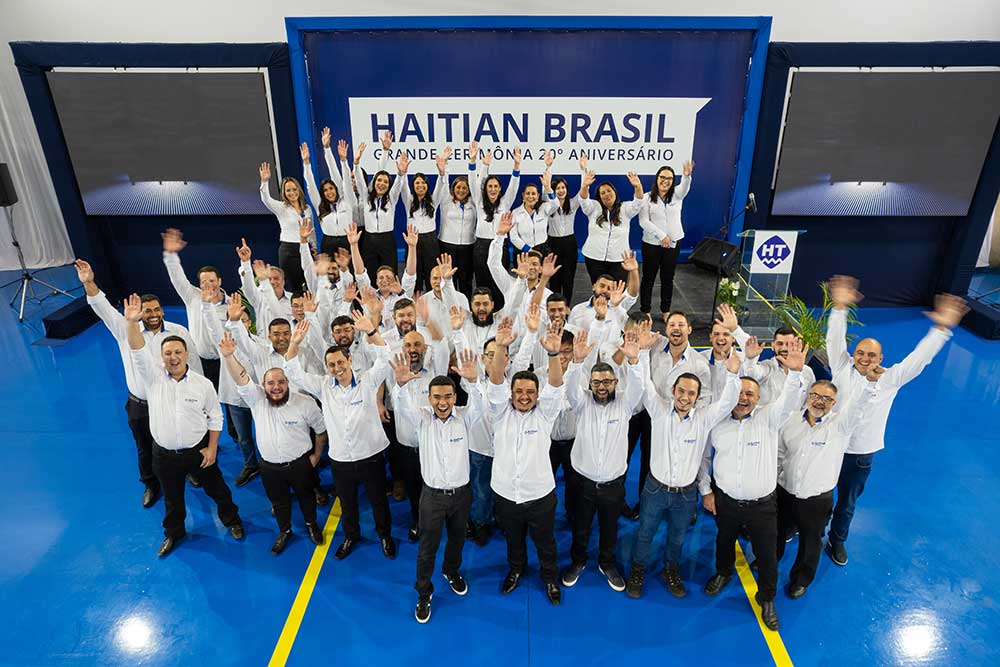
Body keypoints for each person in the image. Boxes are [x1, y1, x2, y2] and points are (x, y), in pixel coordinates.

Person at [824, 276, 967, 566]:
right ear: (853, 354)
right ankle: (800, 527)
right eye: (860, 353)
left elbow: (919, 359)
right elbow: (834, 339)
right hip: (830, 444)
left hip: (860, 453)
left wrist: (940, 329)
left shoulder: (890, 379)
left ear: (881, 358)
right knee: (817, 494)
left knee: (847, 503)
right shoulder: (841, 367)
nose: (865, 358)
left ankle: (837, 540)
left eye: (871, 355)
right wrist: (839, 308)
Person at [122, 294, 244, 557]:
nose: (173, 357)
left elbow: (215, 417)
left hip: (198, 452)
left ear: (187, 354)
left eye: (178, 352)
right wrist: (132, 323)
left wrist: (212, 448)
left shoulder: (203, 385)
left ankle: (232, 520)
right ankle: (174, 533)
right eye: (168, 353)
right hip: (164, 455)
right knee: (172, 499)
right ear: (161, 357)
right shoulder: (153, 378)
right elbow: (137, 349)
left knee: (218, 491)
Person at [702, 338, 809, 631]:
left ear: (759, 399)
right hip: (726, 501)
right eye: (740, 392)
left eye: (750, 394)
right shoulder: (717, 422)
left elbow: (788, 401)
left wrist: (795, 373)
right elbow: (704, 458)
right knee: (723, 541)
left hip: (762, 506)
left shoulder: (769, 418)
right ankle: (723, 573)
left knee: (766, 554)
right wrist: (706, 490)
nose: (744, 398)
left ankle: (767, 598)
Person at [625, 327, 741, 599]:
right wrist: (641, 353)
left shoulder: (704, 418)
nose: (685, 397)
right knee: (645, 533)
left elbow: (726, 403)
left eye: (691, 393)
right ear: (673, 391)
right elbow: (645, 385)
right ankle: (637, 571)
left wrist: (733, 375)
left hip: (686, 494)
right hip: (655, 489)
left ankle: (671, 570)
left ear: (697, 398)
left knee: (677, 538)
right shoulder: (658, 410)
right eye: (681, 391)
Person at [76, 260, 201, 507]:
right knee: (144, 448)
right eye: (147, 311)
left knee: (182, 441)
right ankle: (151, 485)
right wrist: (89, 282)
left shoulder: (178, 331)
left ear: (162, 310)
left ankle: (190, 472)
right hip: (140, 404)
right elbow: (101, 306)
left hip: (173, 400)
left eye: (157, 310)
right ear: (140, 313)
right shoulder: (126, 329)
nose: (153, 315)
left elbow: (193, 364)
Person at [283, 319, 397, 560]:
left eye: (340, 362)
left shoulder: (367, 380)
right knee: (347, 503)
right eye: (331, 365)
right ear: (327, 367)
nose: (337, 368)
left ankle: (385, 536)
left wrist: (372, 331)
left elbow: (385, 356)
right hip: (341, 459)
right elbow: (292, 371)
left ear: (350, 361)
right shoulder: (323, 386)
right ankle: (351, 536)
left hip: (371, 456)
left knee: (378, 501)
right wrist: (294, 343)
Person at [392, 349, 484, 623]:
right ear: (429, 398)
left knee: (457, 540)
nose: (442, 402)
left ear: (455, 397)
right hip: (431, 497)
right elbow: (402, 406)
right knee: (427, 547)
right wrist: (401, 386)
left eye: (447, 396)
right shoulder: (421, 418)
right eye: (436, 397)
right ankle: (424, 592)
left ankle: (451, 570)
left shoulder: (465, 417)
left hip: (461, 495)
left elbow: (481, 405)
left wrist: (474, 381)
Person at [220, 332, 327, 554]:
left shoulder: (305, 403)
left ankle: (311, 524)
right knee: (278, 502)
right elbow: (241, 377)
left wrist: (316, 456)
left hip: (301, 464)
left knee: (307, 497)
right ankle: (285, 530)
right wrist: (229, 357)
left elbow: (320, 431)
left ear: (288, 383)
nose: (276, 387)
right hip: (269, 467)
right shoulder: (256, 399)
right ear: (263, 385)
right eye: (270, 383)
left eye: (280, 382)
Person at [488, 318, 567, 605]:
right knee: (513, 539)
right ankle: (516, 570)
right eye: (519, 392)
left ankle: (550, 577)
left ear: (537, 395)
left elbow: (556, 385)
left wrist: (554, 353)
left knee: (546, 542)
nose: (524, 397)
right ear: (511, 394)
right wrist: (500, 347)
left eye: (530, 392)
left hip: (540, 495)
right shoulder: (500, 413)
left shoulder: (545, 414)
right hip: (506, 493)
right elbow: (496, 380)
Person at [559, 330, 645, 593]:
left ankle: (607, 563)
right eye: (597, 382)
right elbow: (569, 388)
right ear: (590, 384)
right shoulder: (582, 403)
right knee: (580, 527)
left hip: (613, 485)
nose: (602, 386)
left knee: (610, 529)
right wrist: (576, 362)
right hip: (582, 483)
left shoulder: (625, 404)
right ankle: (578, 561)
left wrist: (634, 361)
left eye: (607, 381)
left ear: (616, 383)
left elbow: (639, 386)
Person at [776, 375, 876, 598]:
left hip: (816, 499)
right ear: (807, 396)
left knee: (810, 542)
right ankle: (770, 562)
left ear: (834, 403)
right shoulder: (791, 421)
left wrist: (870, 384)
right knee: (777, 532)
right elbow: (780, 454)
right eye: (815, 395)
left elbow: (858, 406)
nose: (819, 401)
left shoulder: (841, 426)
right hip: (785, 491)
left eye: (827, 398)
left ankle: (801, 580)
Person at [638, 162, 693, 321]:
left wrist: (687, 176)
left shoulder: (677, 195)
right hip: (651, 244)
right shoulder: (647, 197)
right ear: (657, 178)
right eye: (662, 177)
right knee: (648, 278)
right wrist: (661, 235)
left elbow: (684, 187)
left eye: (669, 178)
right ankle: (645, 310)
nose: (665, 181)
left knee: (668, 278)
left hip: (673, 244)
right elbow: (643, 221)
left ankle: (666, 310)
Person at [470, 141, 522, 303]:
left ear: (500, 189)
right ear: (485, 189)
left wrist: (517, 166)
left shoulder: (505, 203)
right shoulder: (479, 201)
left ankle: (501, 312)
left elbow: (513, 186)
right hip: (481, 247)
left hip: (500, 245)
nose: (492, 189)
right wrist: (478, 163)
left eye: (495, 186)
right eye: (490, 186)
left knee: (500, 283)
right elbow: (473, 182)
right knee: (482, 283)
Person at [354, 133, 405, 282]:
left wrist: (400, 173)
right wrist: (356, 163)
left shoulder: (391, 199)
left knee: (390, 274)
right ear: (374, 182)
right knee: (370, 274)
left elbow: (399, 183)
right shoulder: (366, 196)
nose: (381, 184)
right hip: (369, 240)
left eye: (385, 182)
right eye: (379, 180)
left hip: (387, 240)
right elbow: (359, 180)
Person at [578, 169, 644, 283]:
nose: (606, 194)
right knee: (599, 289)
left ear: (615, 192)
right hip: (594, 258)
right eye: (603, 193)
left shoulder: (625, 208)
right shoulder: (593, 207)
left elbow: (638, 202)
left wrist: (638, 186)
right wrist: (584, 186)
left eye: (609, 191)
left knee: (618, 290)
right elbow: (583, 200)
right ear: (599, 197)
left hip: (619, 259)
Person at [302, 133, 357, 258]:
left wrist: (342, 160)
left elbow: (346, 180)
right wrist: (306, 163)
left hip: (347, 241)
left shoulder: (346, 200)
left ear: (336, 189)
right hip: (328, 244)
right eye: (325, 190)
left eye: (331, 188)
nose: (329, 192)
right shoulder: (319, 205)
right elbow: (310, 185)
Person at [258, 161, 310, 291]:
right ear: (284, 193)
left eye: (294, 189)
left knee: (310, 284)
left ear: (299, 190)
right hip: (289, 250)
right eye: (288, 190)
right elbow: (266, 199)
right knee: (294, 288)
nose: (292, 193)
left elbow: (311, 230)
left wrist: (312, 246)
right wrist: (265, 182)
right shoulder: (281, 207)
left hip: (306, 248)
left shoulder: (307, 209)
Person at [434, 146, 477, 299]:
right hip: (447, 245)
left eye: (465, 188)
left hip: (468, 247)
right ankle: (448, 307)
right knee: (447, 280)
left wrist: (473, 161)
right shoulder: (446, 200)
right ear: (453, 189)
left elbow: (475, 182)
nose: (461, 190)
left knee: (466, 281)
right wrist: (445, 164)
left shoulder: (474, 202)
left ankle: (466, 307)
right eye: (458, 187)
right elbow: (444, 182)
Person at [398, 153, 444, 292]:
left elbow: (440, 186)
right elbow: (404, 187)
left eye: (423, 182)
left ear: (427, 185)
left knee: (432, 275)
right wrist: (403, 173)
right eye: (417, 183)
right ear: (413, 185)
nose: (420, 185)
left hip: (431, 242)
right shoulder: (409, 201)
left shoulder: (433, 201)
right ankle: (415, 303)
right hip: (414, 242)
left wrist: (442, 173)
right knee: (414, 276)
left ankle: (433, 301)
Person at [543, 154, 587, 301]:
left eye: (563, 187)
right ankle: (554, 305)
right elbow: (546, 188)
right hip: (553, 244)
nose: (561, 190)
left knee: (568, 278)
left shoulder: (573, 204)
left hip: (569, 244)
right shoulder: (548, 205)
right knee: (554, 278)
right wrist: (548, 166)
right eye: (557, 188)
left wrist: (583, 169)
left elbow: (583, 190)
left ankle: (566, 307)